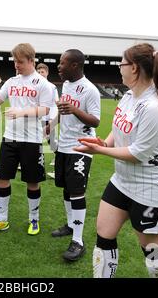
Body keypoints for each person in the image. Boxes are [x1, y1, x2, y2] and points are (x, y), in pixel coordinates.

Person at [75, 43, 158, 278]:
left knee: (150, 247)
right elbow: (118, 129)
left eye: (121, 63)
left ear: (134, 68)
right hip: (123, 179)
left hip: (152, 186)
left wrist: (100, 153)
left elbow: (138, 153)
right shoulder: (130, 96)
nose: (118, 68)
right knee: (104, 231)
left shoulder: (155, 106)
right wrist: (104, 143)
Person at [0, 43, 53, 236]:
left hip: (32, 140)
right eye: (15, 61)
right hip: (10, 138)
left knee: (32, 181)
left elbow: (45, 110)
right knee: (2, 178)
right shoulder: (12, 81)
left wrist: (21, 112)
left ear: (31, 60)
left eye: (20, 62)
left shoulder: (43, 84)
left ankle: (34, 219)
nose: (16, 65)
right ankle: (2, 219)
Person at [48, 49, 101, 262]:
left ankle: (78, 241)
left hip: (81, 147)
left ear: (75, 65)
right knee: (67, 189)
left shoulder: (90, 90)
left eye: (62, 63)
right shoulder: (66, 85)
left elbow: (95, 121)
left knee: (77, 192)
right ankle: (70, 225)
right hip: (64, 146)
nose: (58, 66)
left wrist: (75, 110)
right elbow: (63, 111)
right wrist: (51, 126)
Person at [36, 63, 58, 178]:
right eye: (38, 72)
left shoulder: (52, 87)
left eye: (42, 72)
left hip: (48, 120)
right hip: (36, 120)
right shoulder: (33, 86)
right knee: (35, 142)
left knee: (52, 143)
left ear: (47, 73)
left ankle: (59, 160)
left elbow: (55, 105)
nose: (40, 74)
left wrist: (51, 120)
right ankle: (37, 164)